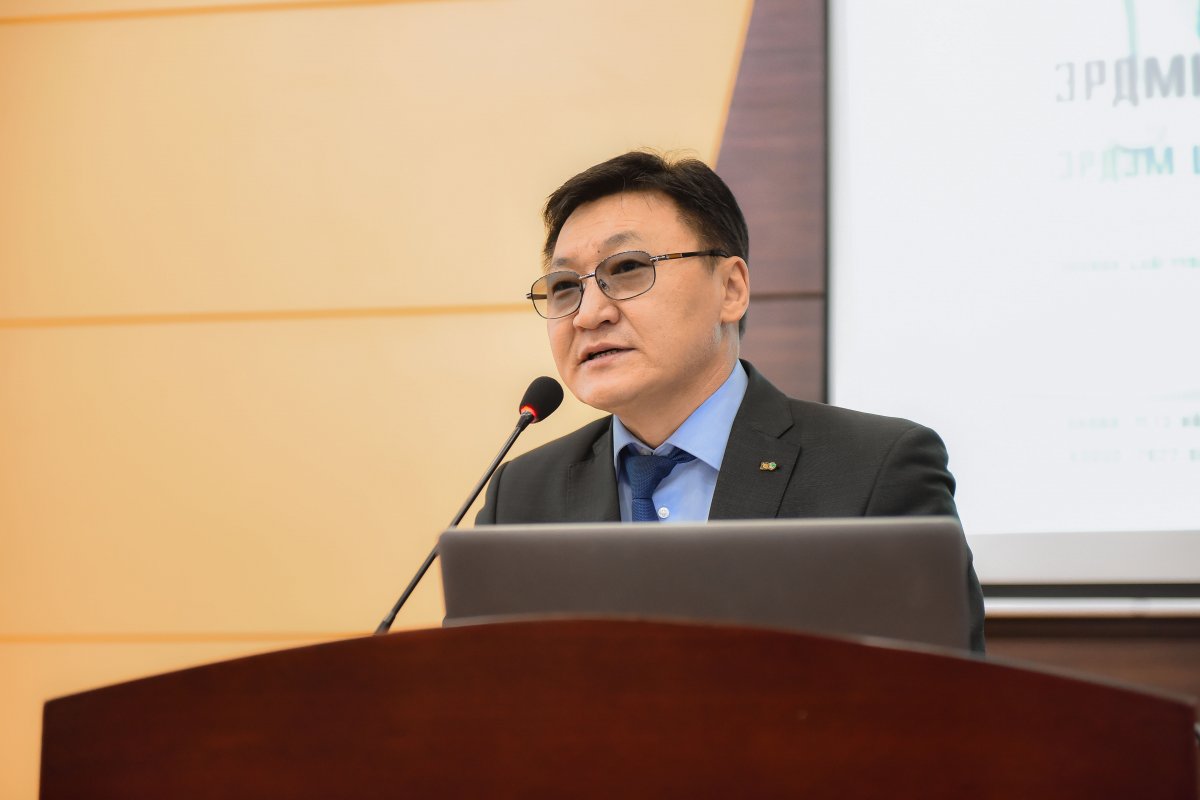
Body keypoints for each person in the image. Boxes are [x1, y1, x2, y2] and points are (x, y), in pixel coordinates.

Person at [475, 150, 985, 652]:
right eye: (565, 286)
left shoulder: (875, 470)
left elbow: (939, 696)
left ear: (731, 289)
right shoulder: (521, 496)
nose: (589, 314)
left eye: (627, 267)